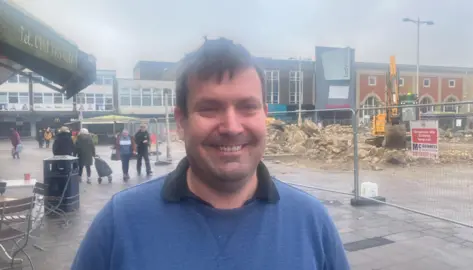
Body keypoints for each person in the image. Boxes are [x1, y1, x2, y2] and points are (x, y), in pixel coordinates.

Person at [71, 38, 349, 270]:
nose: (231, 127)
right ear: (181, 122)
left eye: (247, 107)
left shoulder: (312, 222)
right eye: (209, 108)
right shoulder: (119, 224)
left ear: (265, 115)